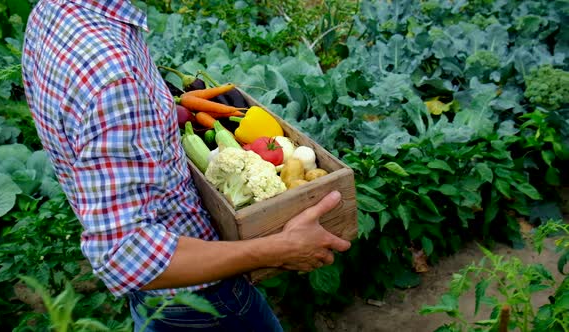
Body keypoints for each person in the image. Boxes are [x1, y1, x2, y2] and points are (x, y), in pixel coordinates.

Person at [21, 1, 351, 331]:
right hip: (200, 300)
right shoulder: (113, 75)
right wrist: (276, 249)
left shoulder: (55, 11)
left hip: (160, 297)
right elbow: (124, 253)